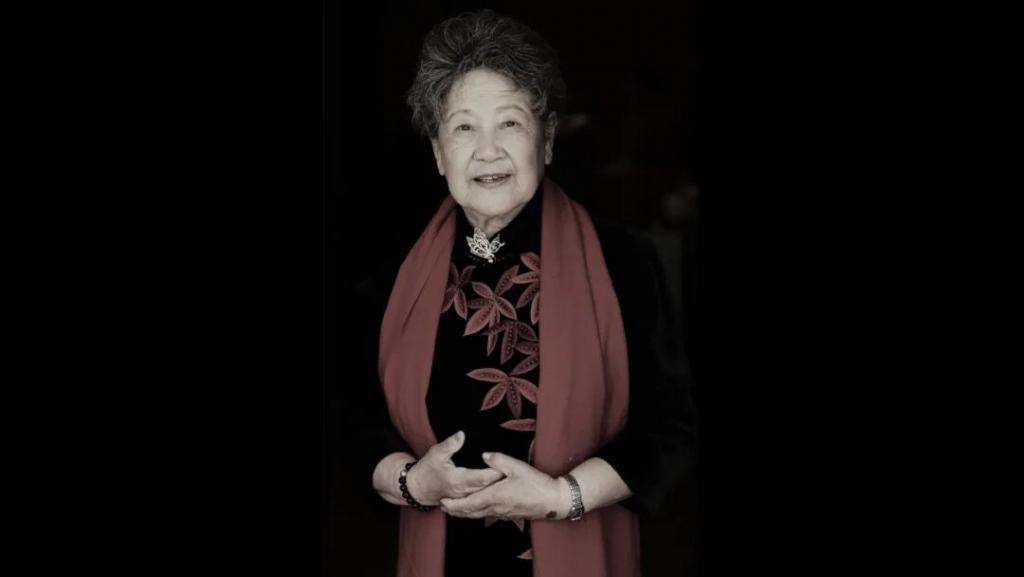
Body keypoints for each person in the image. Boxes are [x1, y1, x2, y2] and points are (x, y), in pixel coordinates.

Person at [354, 9, 696, 576]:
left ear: (547, 140)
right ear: (439, 152)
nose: (488, 150)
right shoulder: (394, 276)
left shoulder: (624, 261)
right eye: (464, 128)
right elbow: (357, 423)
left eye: (510, 123)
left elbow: (673, 427)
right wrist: (412, 482)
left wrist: (562, 497)